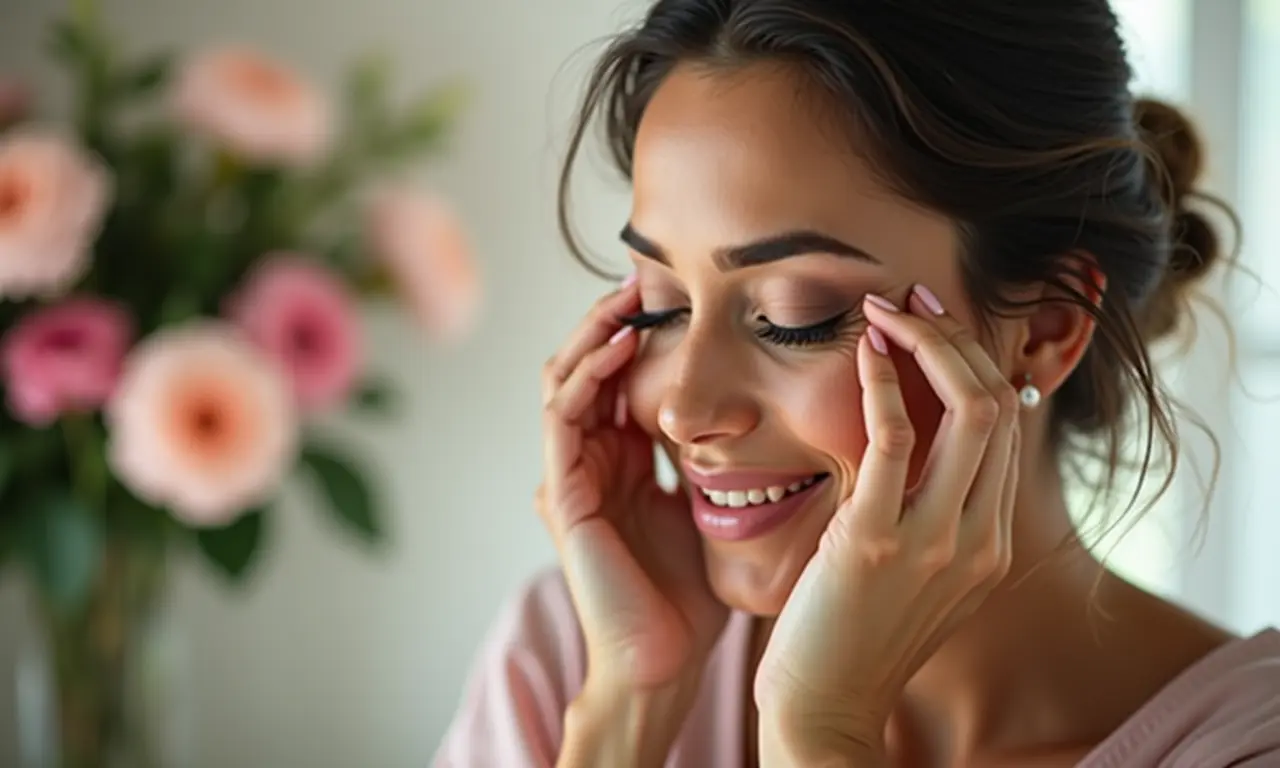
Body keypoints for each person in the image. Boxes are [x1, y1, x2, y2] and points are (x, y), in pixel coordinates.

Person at [436, 1, 1280, 765]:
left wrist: (821, 733)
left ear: (1047, 330)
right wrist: (630, 710)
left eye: (793, 315)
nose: (686, 409)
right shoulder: (573, 660)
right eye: (661, 307)